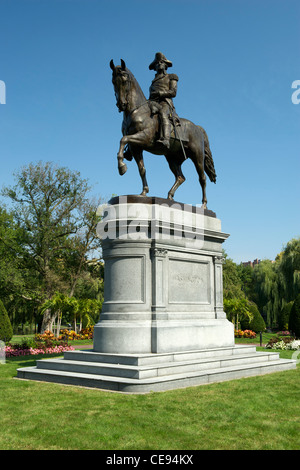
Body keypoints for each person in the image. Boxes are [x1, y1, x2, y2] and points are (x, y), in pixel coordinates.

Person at [148, 52, 179, 149]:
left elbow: (173, 92)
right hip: (153, 103)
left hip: (165, 102)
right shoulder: (153, 81)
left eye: (161, 62)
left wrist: (160, 93)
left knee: (162, 113)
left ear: (165, 65)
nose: (159, 64)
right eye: (157, 63)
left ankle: (165, 139)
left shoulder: (171, 76)